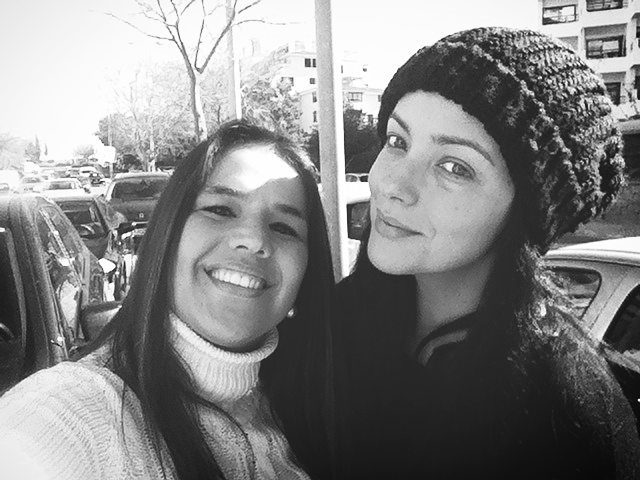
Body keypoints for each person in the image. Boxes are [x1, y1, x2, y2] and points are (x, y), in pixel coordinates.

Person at [332, 27, 640, 479]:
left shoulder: (563, 416)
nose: (393, 185)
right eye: (398, 141)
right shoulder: (333, 326)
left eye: (454, 166)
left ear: (525, 212)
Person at [0, 120, 336, 479]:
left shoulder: (319, 407)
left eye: (284, 227)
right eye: (221, 209)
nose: (254, 240)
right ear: (167, 232)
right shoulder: (72, 411)